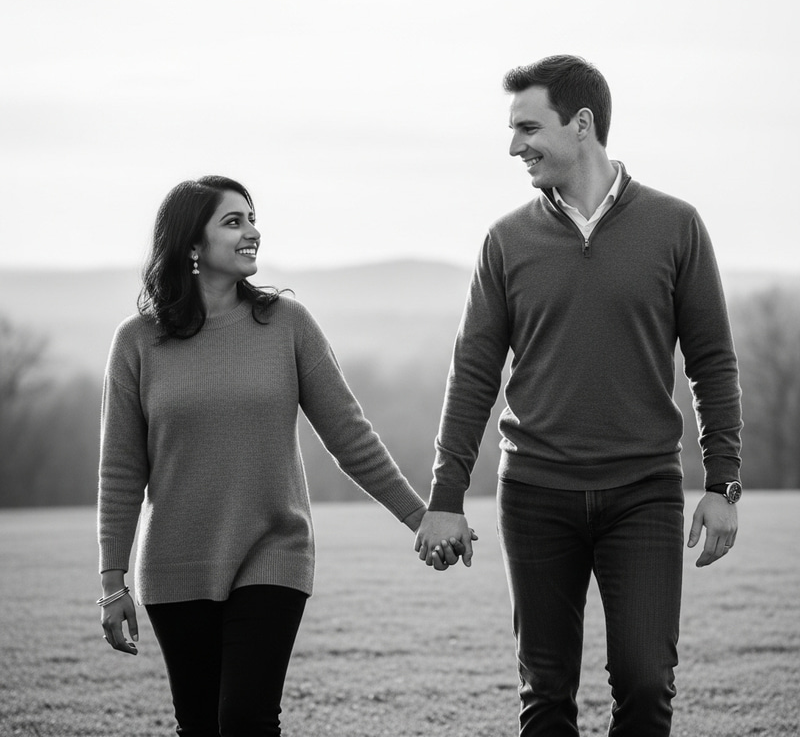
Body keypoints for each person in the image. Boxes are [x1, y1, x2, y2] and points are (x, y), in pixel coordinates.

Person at [414, 55, 743, 736]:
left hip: (644, 492)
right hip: (535, 493)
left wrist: (724, 482)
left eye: (528, 127)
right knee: (545, 694)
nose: (514, 146)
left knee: (648, 686)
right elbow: (473, 373)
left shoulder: (676, 226)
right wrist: (445, 498)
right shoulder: (505, 241)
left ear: (582, 124)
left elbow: (712, 362)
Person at [97, 175, 428, 737]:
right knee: (200, 725)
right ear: (191, 246)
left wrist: (420, 517)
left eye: (252, 218)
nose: (253, 232)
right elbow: (122, 471)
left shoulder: (286, 324)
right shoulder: (137, 343)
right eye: (234, 221)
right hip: (177, 563)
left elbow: (350, 435)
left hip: (274, 550)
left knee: (247, 720)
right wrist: (112, 581)